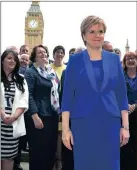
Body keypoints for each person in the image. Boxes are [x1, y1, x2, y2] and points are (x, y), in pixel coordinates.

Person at [61, 15, 130, 170]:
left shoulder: (114, 60)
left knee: (110, 165)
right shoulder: (74, 61)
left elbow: (121, 95)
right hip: (83, 125)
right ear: (84, 35)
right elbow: (67, 99)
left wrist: (125, 127)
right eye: (91, 31)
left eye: (100, 31)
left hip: (110, 124)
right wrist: (66, 129)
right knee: (85, 164)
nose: (97, 35)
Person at [25, 45, 59, 170]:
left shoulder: (51, 72)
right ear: (34, 56)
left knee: (50, 152)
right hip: (38, 117)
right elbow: (28, 95)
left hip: (52, 116)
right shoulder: (31, 72)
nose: (43, 54)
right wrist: (34, 115)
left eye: (45, 52)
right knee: (38, 153)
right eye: (40, 52)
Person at [1, 49, 28, 170]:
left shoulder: (21, 79)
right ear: (2, 61)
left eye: (14, 59)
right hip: (1, 121)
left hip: (12, 125)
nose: (12, 61)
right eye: (9, 58)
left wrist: (13, 117)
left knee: (9, 158)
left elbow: (24, 101)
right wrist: (2, 115)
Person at [120, 52, 137, 170]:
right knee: (124, 143)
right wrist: (125, 104)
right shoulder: (120, 76)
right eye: (128, 59)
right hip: (123, 114)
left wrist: (135, 105)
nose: (131, 60)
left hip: (136, 112)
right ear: (125, 62)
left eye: (133, 58)